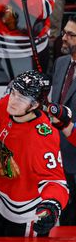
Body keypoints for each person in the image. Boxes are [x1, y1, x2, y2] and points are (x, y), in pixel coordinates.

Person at [0, 70, 69, 237]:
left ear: (35, 105)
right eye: (14, 93)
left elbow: (56, 182)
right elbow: (2, 138)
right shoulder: (3, 107)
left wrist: (52, 205)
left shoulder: (43, 136)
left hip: (25, 212)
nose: (13, 101)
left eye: (22, 98)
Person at [49, 18, 76, 225]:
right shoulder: (61, 63)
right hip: (59, 159)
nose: (63, 38)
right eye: (64, 32)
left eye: (70, 35)